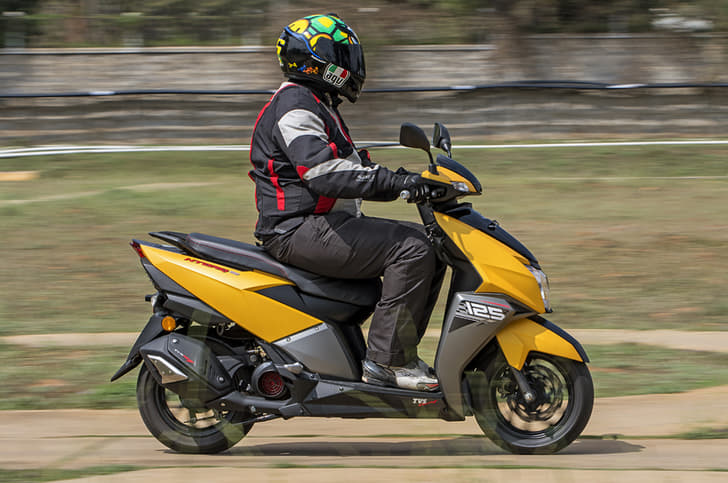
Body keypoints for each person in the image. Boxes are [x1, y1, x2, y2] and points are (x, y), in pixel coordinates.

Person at [248, 13, 444, 392]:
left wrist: (412, 178)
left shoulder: (317, 103)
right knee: (413, 248)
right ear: (316, 60)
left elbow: (351, 165)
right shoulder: (295, 105)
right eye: (343, 57)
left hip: (317, 224)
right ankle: (387, 362)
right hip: (297, 228)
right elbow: (322, 172)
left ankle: (399, 355)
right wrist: (397, 184)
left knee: (432, 246)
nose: (351, 66)